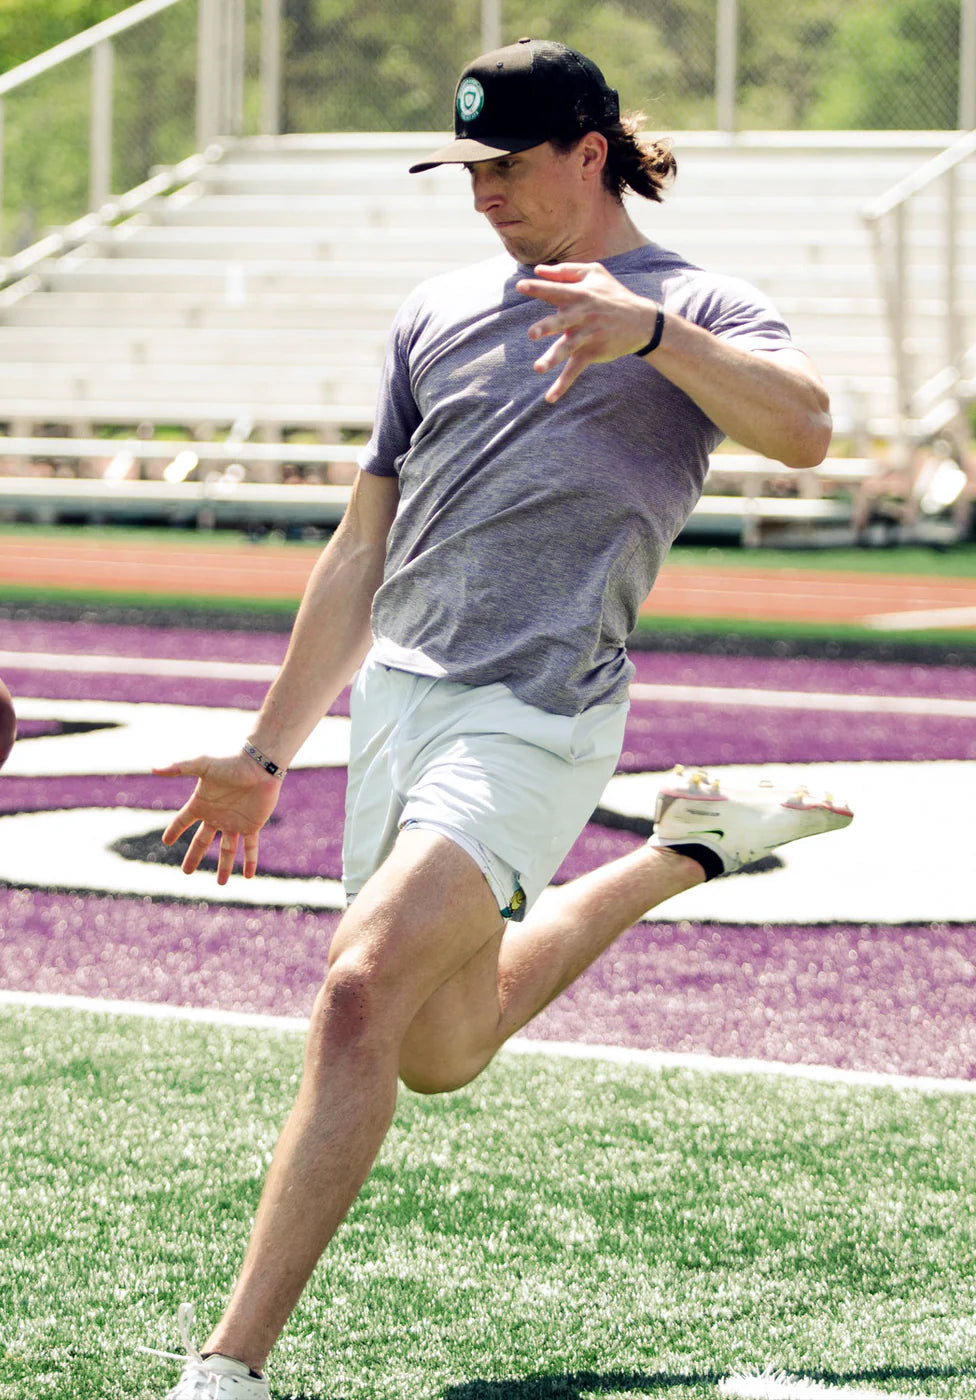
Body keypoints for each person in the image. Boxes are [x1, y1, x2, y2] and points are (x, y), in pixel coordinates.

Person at [148, 37, 853, 1400]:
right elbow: (364, 550)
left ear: (591, 154)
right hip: (405, 699)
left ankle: (226, 1369)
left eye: (508, 166)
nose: (483, 193)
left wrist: (653, 334)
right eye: (466, 168)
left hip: (541, 707)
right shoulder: (433, 310)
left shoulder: (695, 299)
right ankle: (683, 852)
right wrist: (262, 751)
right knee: (442, 1049)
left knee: (358, 993)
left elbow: (812, 431)